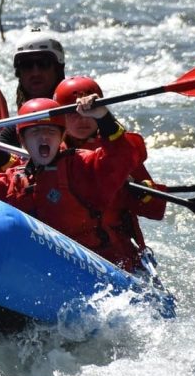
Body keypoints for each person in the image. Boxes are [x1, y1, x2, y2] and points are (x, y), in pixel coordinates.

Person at [0, 96, 149, 272]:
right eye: (36, 132)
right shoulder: (14, 179)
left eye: (50, 132)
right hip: (47, 270)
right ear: (23, 141)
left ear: (62, 136)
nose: (44, 138)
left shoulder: (82, 165)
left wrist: (103, 117)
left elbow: (121, 156)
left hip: (99, 265)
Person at [53, 75, 167, 261]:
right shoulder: (48, 150)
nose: (82, 120)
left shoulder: (122, 150)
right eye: (74, 113)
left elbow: (156, 210)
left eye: (89, 113)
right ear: (60, 117)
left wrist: (144, 192)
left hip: (115, 249)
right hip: (67, 245)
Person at [0, 34, 66, 177]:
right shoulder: (18, 125)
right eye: (26, 65)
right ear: (19, 73)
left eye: (43, 64)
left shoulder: (79, 117)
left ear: (58, 69)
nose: (35, 72)